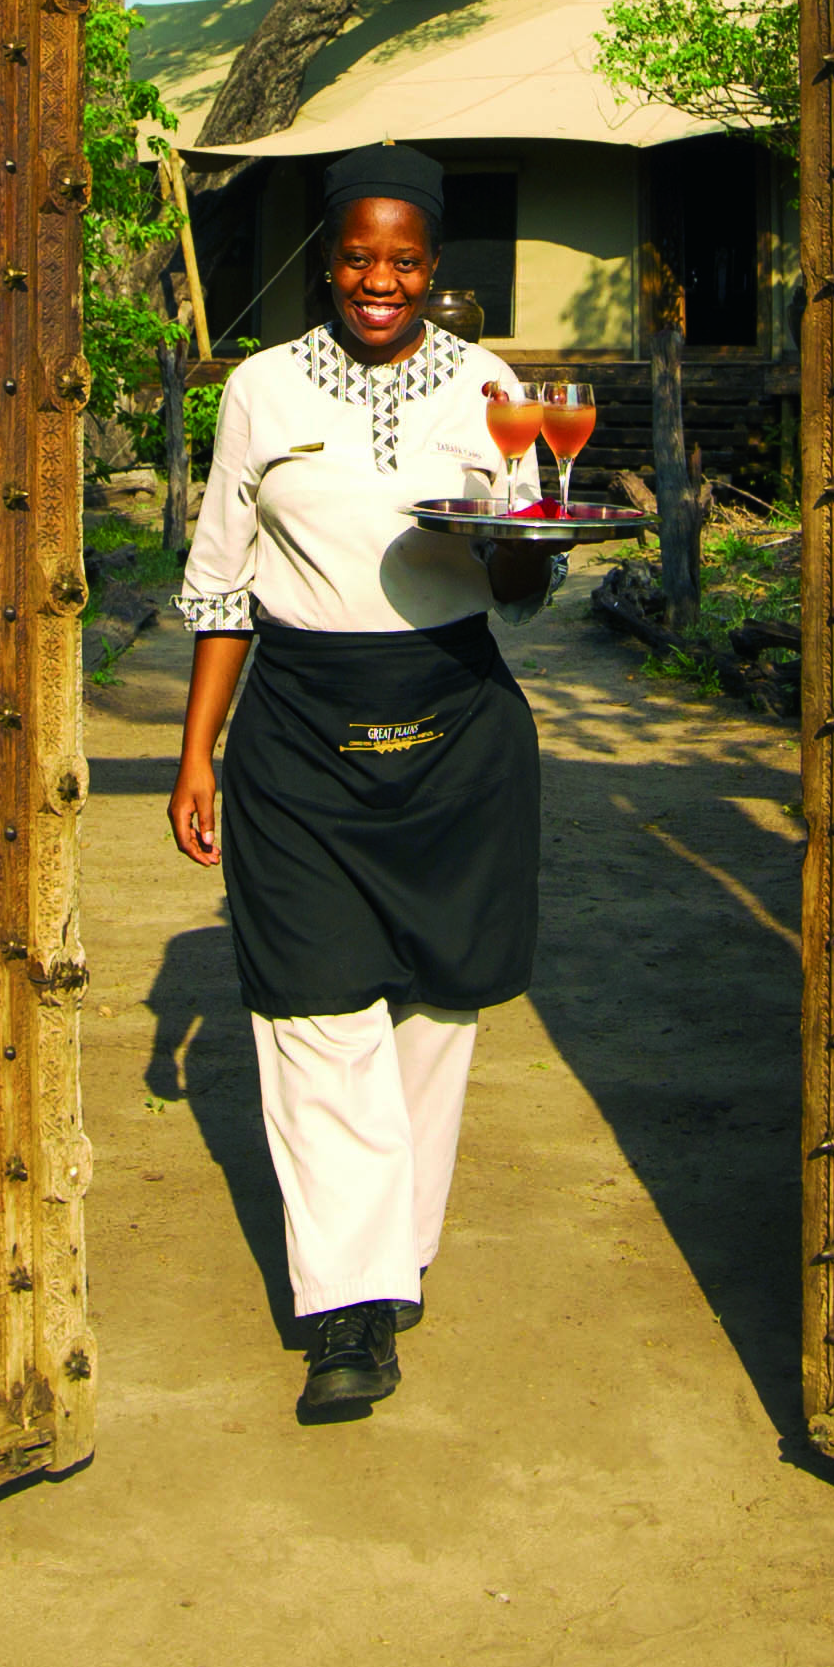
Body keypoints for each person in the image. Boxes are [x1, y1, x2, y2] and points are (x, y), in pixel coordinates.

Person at [169, 143, 558, 1420]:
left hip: (456, 727)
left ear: (434, 267)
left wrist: (513, 538)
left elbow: (526, 585)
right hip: (296, 731)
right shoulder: (264, 391)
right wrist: (196, 753)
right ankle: (347, 1315)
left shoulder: (493, 389)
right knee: (312, 1011)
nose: (378, 280)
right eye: (355, 257)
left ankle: (391, 1258)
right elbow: (225, 580)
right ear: (325, 260)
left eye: (403, 260)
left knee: (438, 1016)